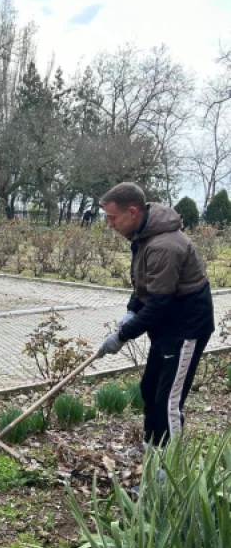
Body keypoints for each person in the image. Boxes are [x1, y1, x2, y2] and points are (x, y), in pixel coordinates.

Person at [96, 182, 214, 446]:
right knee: (149, 389)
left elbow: (158, 303)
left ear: (133, 212)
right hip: (166, 325)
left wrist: (122, 336)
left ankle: (168, 471)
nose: (110, 225)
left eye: (113, 218)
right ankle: (153, 453)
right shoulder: (143, 236)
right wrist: (130, 311)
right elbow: (144, 287)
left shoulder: (164, 245)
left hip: (186, 328)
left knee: (168, 402)